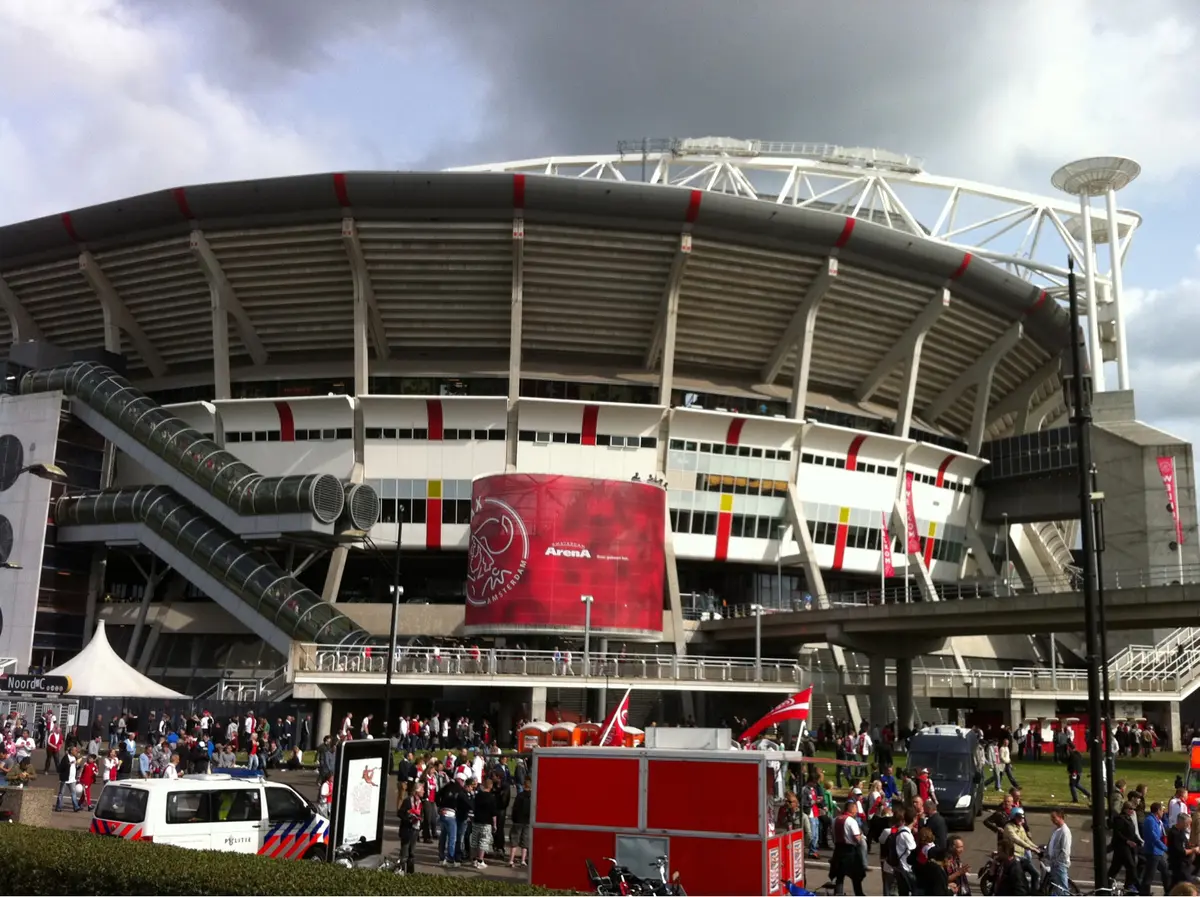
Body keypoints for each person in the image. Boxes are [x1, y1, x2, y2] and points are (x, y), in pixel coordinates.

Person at [1141, 801, 1171, 896]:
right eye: (1162, 811)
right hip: (1153, 852)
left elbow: (1165, 827)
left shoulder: (1157, 820)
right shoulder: (1150, 821)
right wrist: (1165, 848)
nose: (1163, 812)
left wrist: (1165, 816)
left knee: (1165, 871)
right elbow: (1154, 838)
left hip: (1158, 852)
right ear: (1157, 811)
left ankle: (1168, 891)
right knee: (1149, 875)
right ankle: (1144, 893)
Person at [397, 780, 424, 874]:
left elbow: (421, 814)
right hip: (407, 830)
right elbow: (400, 813)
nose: (423, 792)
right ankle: (401, 872)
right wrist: (409, 818)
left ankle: (410, 873)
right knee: (404, 853)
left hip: (415, 830)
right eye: (422, 790)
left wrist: (420, 820)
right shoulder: (408, 801)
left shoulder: (420, 802)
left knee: (412, 853)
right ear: (417, 791)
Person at [1168, 811, 1198, 890]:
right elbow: (1181, 851)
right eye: (1187, 823)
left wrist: (1192, 846)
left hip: (1181, 864)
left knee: (1174, 887)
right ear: (1181, 822)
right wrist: (1193, 850)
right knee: (1190, 886)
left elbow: (1184, 845)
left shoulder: (1180, 832)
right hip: (1180, 864)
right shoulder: (1175, 834)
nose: (1188, 826)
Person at [1045, 808, 1072, 895]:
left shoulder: (1065, 832)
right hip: (1054, 864)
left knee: (1063, 889)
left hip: (1060, 865)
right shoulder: (1056, 830)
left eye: (1054, 817)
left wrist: (1057, 862)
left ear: (1060, 817)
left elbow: (1065, 851)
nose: (1052, 820)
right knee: (1057, 888)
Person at [509, 776, 532, 868]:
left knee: (514, 841)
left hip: (518, 821)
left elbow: (514, 808)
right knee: (525, 842)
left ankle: (511, 860)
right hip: (527, 822)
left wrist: (514, 818)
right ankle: (523, 860)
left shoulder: (519, 796)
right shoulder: (532, 796)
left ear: (524, 786)